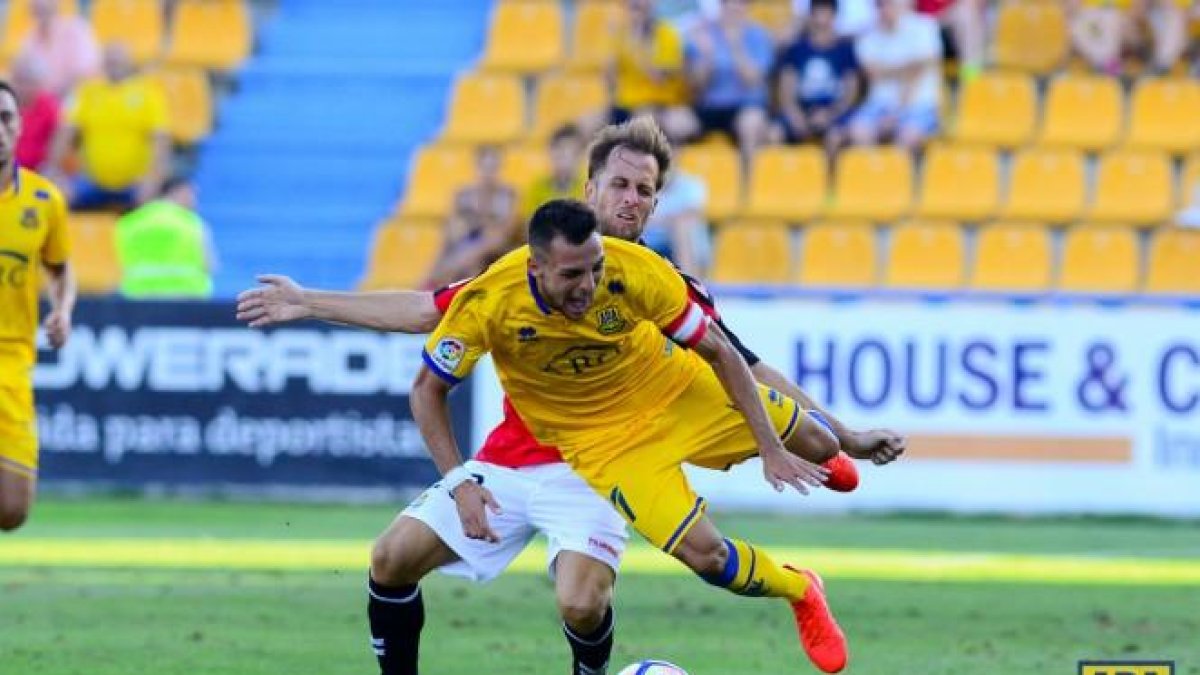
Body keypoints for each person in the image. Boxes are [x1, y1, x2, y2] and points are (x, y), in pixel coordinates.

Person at [236, 118, 905, 675]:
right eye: (620, 183)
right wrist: (309, 300)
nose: (632, 199)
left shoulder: (656, 279)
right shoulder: (511, 280)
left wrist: (838, 434)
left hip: (647, 422)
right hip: (542, 456)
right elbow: (424, 314)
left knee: (804, 447)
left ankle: (827, 455)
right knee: (394, 559)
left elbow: (740, 359)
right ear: (589, 188)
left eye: (646, 190)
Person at [414, 198, 871, 673]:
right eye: (572, 275)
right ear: (537, 267)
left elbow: (723, 352)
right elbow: (427, 389)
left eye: (594, 269)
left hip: (678, 391)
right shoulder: (490, 302)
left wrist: (771, 449)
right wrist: (459, 482)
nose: (588, 286)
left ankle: (821, 450)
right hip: (606, 446)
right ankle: (802, 589)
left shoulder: (634, 270)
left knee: (823, 446)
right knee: (709, 559)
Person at [0, 79, 76, 532]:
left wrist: (63, 309)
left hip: (11, 361)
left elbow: (61, 269)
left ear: (20, 126)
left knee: (12, 510)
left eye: (5, 119)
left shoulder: (45, 201)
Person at [46, 42, 170, 211]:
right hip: (92, 181)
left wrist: (153, 180)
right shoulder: (87, 92)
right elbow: (65, 132)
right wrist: (54, 171)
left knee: (152, 209)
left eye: (119, 61)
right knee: (56, 200)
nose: (115, 65)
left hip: (134, 183)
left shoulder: (148, 93)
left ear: (129, 63)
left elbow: (160, 142)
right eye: (110, 61)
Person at [683, 0, 776, 162]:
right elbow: (697, 86)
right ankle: (673, 183)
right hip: (710, 107)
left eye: (741, 3)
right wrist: (707, 57)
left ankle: (747, 184)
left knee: (751, 124)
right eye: (730, 3)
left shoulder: (758, 35)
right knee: (674, 125)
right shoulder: (703, 33)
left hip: (745, 105)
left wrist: (735, 43)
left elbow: (752, 80)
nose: (735, 7)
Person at [846, 0, 943, 151]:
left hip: (918, 104)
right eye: (880, 4)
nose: (884, 8)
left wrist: (897, 112)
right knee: (858, 130)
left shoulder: (924, 26)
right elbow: (872, 72)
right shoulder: (869, 33)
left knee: (907, 136)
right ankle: (874, 171)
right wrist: (907, 67)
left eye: (888, 3)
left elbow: (915, 75)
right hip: (879, 104)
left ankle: (895, 173)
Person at [426, 144, 518, 289]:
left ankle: (441, 277)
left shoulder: (508, 194)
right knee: (471, 264)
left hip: (495, 248)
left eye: (493, 167)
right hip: (467, 243)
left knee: (486, 243)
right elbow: (453, 228)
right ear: (476, 167)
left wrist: (480, 226)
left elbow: (506, 232)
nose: (488, 173)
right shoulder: (463, 194)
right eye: (485, 167)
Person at [775, 0, 862, 152]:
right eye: (818, 13)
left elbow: (850, 93)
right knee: (773, 134)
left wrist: (830, 115)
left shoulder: (845, 50)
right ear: (811, 16)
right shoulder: (796, 49)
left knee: (836, 137)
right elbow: (786, 89)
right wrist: (796, 115)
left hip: (833, 112)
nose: (822, 19)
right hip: (802, 110)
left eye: (826, 13)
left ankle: (831, 176)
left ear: (834, 16)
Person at [114, 177, 217, 299]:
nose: (194, 201)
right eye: (191, 194)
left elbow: (114, 264)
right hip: (187, 297)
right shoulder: (192, 223)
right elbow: (209, 265)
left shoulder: (128, 223)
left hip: (138, 297)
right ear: (176, 192)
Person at [17, 0, 101, 98]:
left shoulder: (76, 29)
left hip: (76, 97)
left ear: (55, 6)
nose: (41, 12)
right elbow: (24, 74)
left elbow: (86, 71)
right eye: (37, 8)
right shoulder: (29, 38)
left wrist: (57, 94)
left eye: (45, 8)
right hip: (44, 100)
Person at [520, 125, 586, 222]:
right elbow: (530, 228)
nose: (565, 159)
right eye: (561, 152)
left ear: (580, 156)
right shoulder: (536, 188)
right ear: (551, 153)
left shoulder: (590, 189)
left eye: (571, 153)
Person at [11, 52, 60, 171]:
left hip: (38, 170)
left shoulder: (49, 105)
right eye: (19, 80)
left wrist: (50, 165)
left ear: (39, 84)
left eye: (28, 82)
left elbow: (59, 137)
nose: (23, 87)